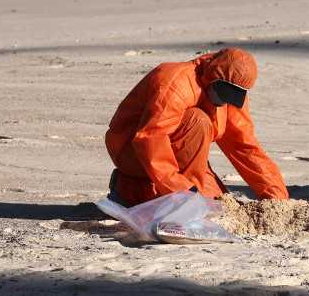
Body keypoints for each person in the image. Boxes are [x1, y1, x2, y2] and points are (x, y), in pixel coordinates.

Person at [105, 48, 289, 206]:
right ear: (212, 78)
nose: (223, 101)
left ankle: (171, 194)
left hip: (182, 155)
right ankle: (131, 192)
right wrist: (180, 190)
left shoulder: (230, 99)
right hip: (132, 150)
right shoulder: (176, 82)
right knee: (198, 120)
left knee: (219, 203)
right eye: (222, 93)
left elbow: (244, 146)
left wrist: (276, 195)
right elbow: (151, 138)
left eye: (232, 96)